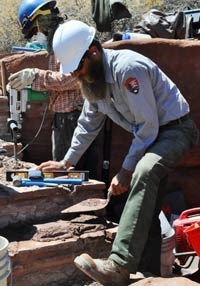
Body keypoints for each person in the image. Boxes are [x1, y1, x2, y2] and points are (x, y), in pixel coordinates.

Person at [37, 19, 199, 285]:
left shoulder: (127, 69)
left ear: (94, 52)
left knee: (143, 172)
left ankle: (119, 265)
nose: (76, 74)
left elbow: (148, 127)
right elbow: (88, 123)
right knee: (147, 199)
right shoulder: (94, 80)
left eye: (78, 67)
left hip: (176, 130)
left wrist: (125, 171)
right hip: (154, 135)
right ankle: (147, 273)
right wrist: (67, 162)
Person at [8, 0, 102, 179]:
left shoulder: (67, 37)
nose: (38, 35)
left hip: (72, 119)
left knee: (67, 176)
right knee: (73, 174)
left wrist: (35, 76)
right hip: (67, 118)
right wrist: (27, 86)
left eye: (36, 30)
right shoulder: (57, 40)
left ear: (40, 20)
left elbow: (72, 78)